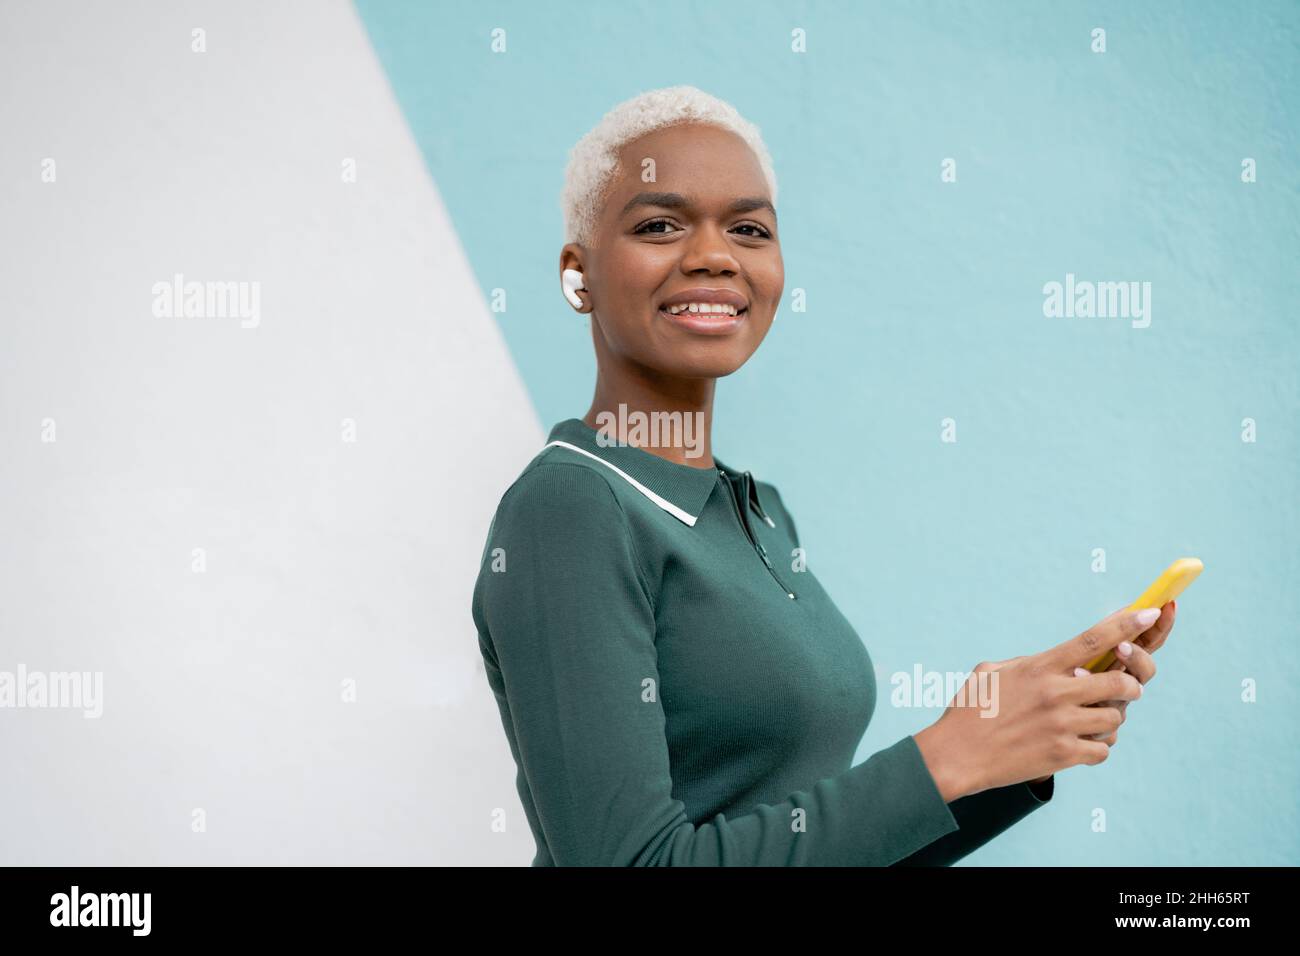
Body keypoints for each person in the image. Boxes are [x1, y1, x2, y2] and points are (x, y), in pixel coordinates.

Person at [470, 85, 1176, 866]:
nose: (714, 255)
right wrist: (948, 757)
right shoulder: (572, 507)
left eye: (749, 228)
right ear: (580, 275)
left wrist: (1012, 745)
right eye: (660, 224)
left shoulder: (759, 512)